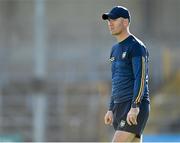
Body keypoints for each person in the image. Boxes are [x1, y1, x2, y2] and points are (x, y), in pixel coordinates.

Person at [102, 6, 150, 142]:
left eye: (114, 19)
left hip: (133, 106)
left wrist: (135, 106)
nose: (110, 23)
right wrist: (111, 108)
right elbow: (115, 79)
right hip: (119, 106)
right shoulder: (114, 50)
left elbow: (140, 78)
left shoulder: (136, 46)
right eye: (108, 20)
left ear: (125, 22)